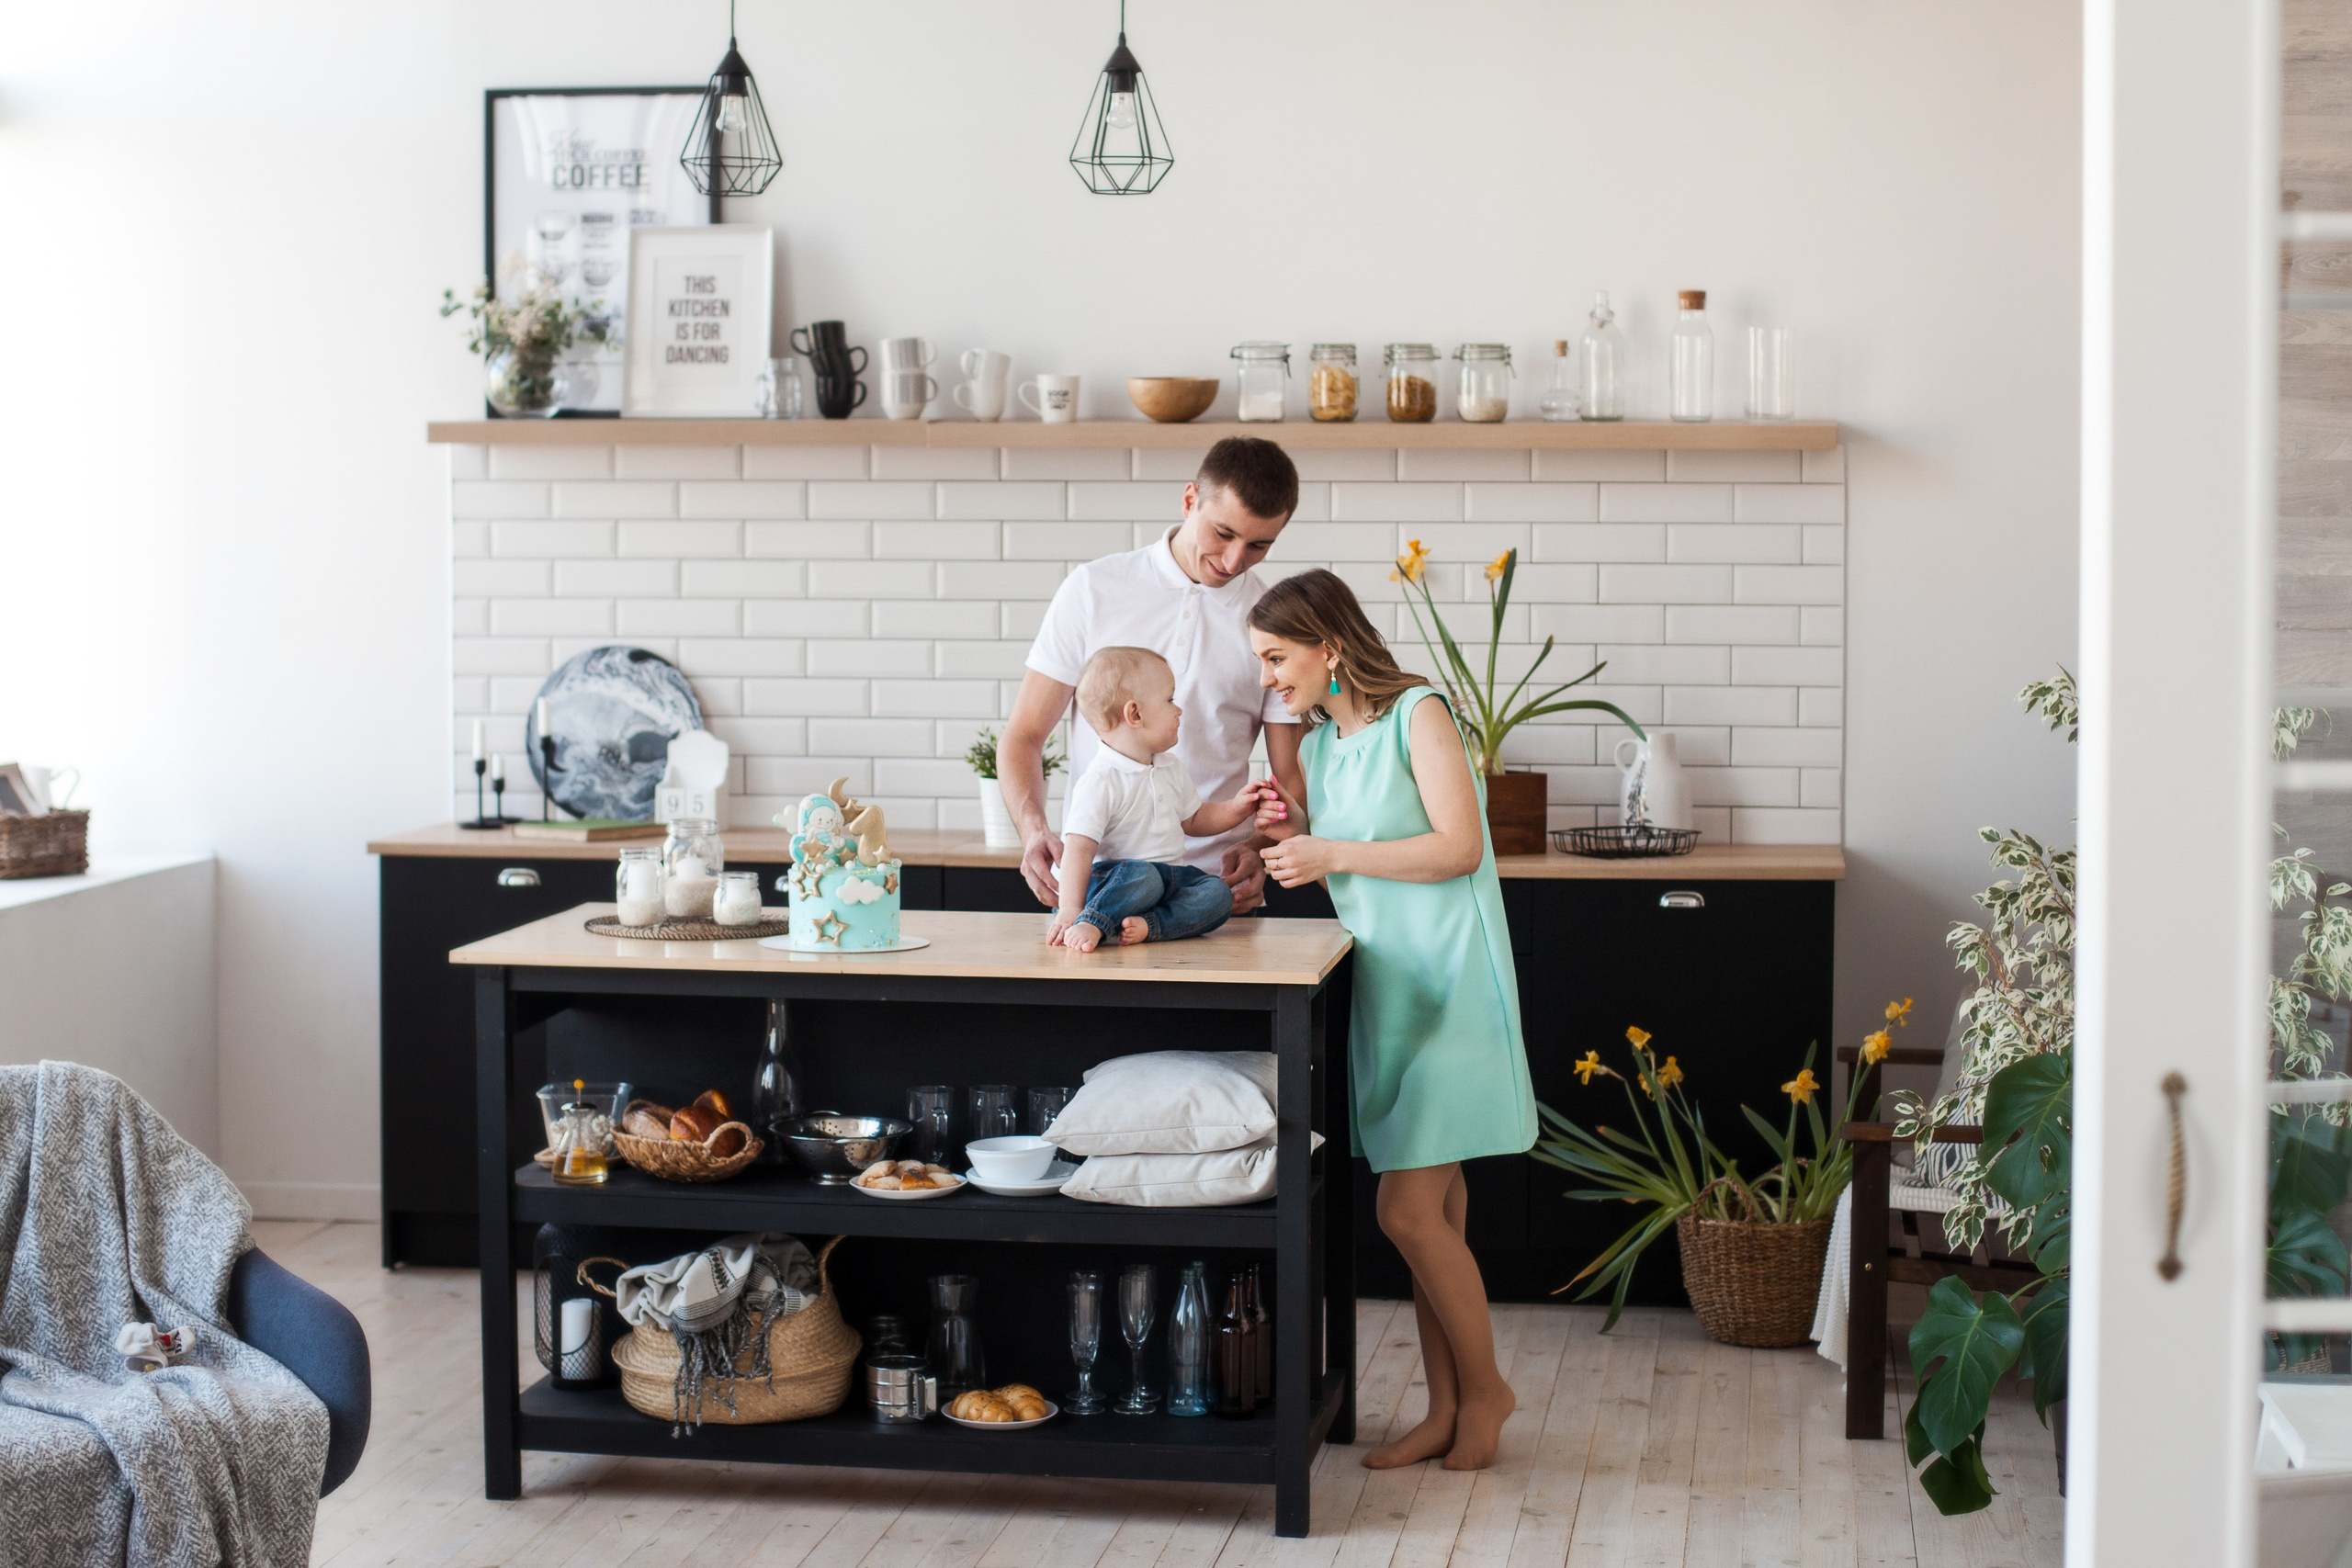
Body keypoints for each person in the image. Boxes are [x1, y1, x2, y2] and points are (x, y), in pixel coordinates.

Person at [1244, 567, 1536, 1473]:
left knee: (1406, 1210)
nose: (1267, 678)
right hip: (1390, 987)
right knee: (1436, 1212)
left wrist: (1329, 847)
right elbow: (1349, 872)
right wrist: (1283, 841)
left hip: (1453, 980)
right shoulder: (1325, 746)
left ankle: (1487, 1392)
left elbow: (1458, 848)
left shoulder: (1422, 714)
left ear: (1329, 644)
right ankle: (1446, 1407)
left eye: (1275, 657)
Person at [1001, 436, 1306, 918]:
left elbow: (1289, 777)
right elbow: (1024, 736)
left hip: (1209, 895)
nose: (1233, 561)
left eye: (1259, 545)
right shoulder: (1093, 588)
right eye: (1222, 533)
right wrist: (1034, 828)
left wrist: (1257, 851)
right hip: (1096, 887)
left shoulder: (1273, 624)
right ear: (1189, 500)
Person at [1046, 647, 1269, 952]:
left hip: (1170, 879)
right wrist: (1070, 910)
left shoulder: (1169, 766)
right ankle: (1094, 919)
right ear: (1135, 714)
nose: (1178, 710)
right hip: (1120, 881)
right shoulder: (1101, 780)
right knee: (1144, 875)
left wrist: (1237, 808)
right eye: (1170, 700)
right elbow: (1078, 851)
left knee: (1217, 893)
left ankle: (1149, 926)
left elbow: (1194, 820)